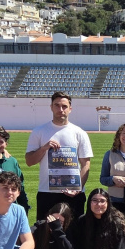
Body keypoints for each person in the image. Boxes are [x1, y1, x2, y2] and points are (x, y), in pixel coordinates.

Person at [25, 92, 94, 221]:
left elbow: (86, 164)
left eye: (64, 106)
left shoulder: (80, 133)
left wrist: (78, 188)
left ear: (70, 109)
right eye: (57, 105)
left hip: (73, 193)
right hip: (47, 192)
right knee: (44, 233)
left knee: (74, 234)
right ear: (51, 107)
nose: (60, 109)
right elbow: (29, 161)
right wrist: (44, 148)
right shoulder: (39, 131)